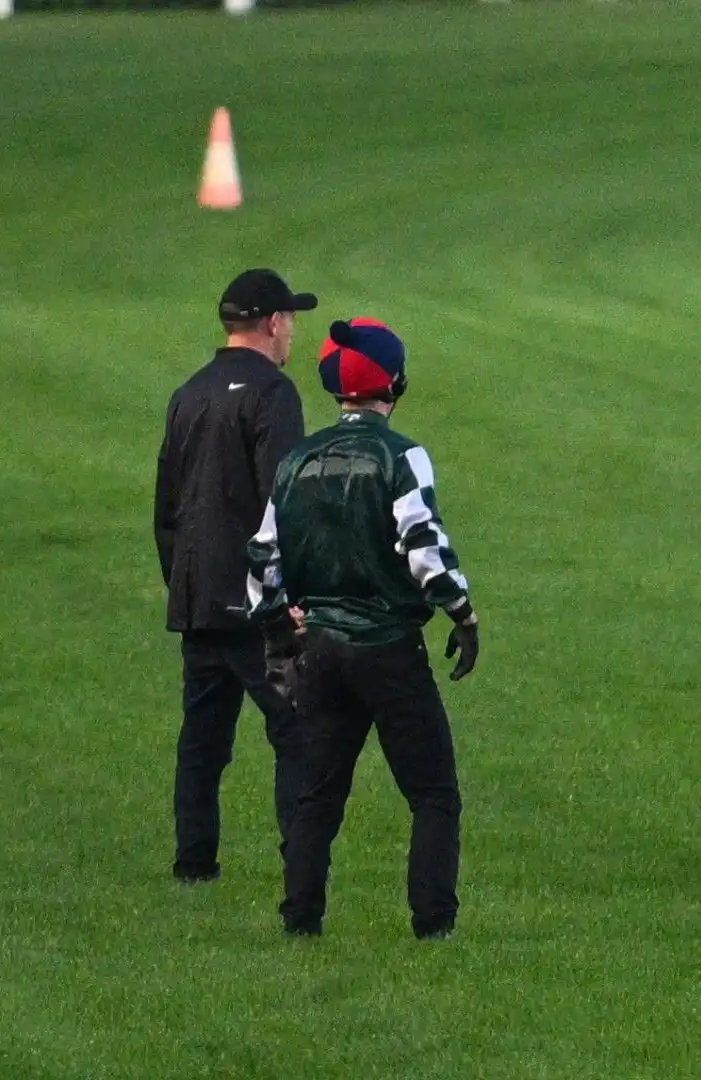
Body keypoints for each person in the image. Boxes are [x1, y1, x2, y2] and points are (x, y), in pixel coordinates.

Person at [247, 317, 480, 940]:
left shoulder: (297, 459)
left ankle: (300, 917)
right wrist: (461, 611)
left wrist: (279, 631)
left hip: (320, 647)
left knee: (318, 795)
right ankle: (433, 923)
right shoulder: (401, 455)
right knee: (432, 792)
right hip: (388, 649)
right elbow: (423, 545)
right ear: (395, 382)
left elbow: (262, 558)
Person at [154, 268, 318, 883]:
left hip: (197, 595)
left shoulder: (188, 393)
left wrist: (182, 580)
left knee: (202, 739)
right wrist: (289, 598)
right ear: (273, 323)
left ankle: (194, 862)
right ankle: (300, 865)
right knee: (294, 730)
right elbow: (286, 501)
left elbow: (167, 505)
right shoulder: (274, 395)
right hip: (256, 602)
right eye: (290, 321)